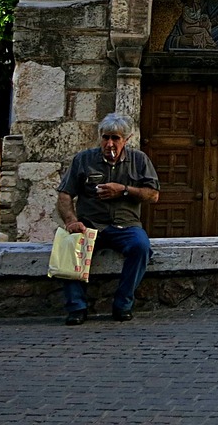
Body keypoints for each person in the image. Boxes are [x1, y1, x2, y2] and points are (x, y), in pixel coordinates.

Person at [55, 113, 161, 325]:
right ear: (100, 137)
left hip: (126, 226)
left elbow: (153, 195)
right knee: (69, 245)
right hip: (90, 225)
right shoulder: (83, 160)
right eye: (106, 138)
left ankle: (123, 304)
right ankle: (77, 307)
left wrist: (124, 190)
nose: (109, 143)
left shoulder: (139, 160)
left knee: (141, 247)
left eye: (115, 138)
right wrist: (71, 221)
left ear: (126, 139)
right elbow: (65, 195)